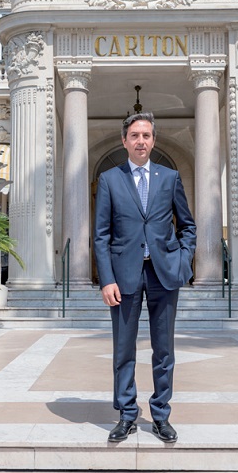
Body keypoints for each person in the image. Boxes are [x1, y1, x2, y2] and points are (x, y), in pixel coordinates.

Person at [94, 112, 196, 443]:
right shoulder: (110, 179)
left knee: (163, 350)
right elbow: (101, 235)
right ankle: (126, 414)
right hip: (123, 278)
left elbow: (188, 226)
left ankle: (161, 414)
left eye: (147, 136)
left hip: (163, 275)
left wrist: (182, 261)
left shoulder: (170, 177)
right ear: (124, 140)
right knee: (124, 350)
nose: (141, 141)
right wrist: (106, 279)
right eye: (135, 135)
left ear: (154, 140)